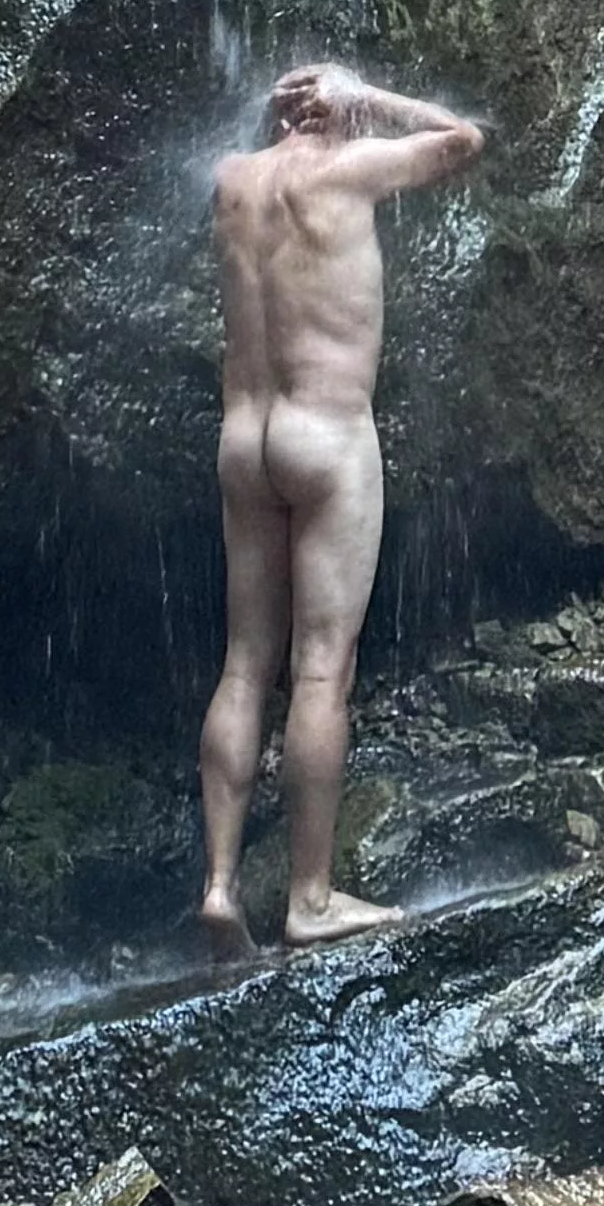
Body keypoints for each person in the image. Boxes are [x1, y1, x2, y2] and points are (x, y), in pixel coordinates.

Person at [196, 53, 486, 954]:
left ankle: (216, 887)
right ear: (337, 108)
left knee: (246, 664)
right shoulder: (353, 169)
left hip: (244, 444)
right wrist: (375, 99)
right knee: (321, 669)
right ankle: (309, 898)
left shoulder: (230, 182)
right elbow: (463, 139)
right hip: (325, 440)